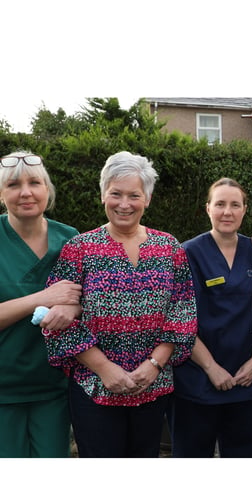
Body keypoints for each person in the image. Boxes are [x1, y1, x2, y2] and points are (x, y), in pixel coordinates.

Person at [42, 151, 197, 458]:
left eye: (134, 195)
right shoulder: (80, 248)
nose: (124, 204)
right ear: (103, 195)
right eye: (116, 194)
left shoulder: (169, 248)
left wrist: (154, 365)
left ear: (147, 199)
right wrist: (106, 369)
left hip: (152, 385)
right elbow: (58, 319)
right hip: (95, 387)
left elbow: (183, 310)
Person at [169, 177, 252, 457]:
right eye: (220, 204)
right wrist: (211, 367)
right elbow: (179, 317)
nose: (228, 211)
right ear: (208, 209)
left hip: (247, 379)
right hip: (198, 379)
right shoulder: (187, 253)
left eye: (235, 205)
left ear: (245, 210)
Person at [0, 151, 81, 457]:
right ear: (0, 194)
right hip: (4, 388)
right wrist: (42, 298)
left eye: (35, 182)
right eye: (13, 185)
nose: (26, 192)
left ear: (47, 189)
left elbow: (84, 300)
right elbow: (50, 297)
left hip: (54, 387)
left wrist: (71, 308)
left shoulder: (70, 239)